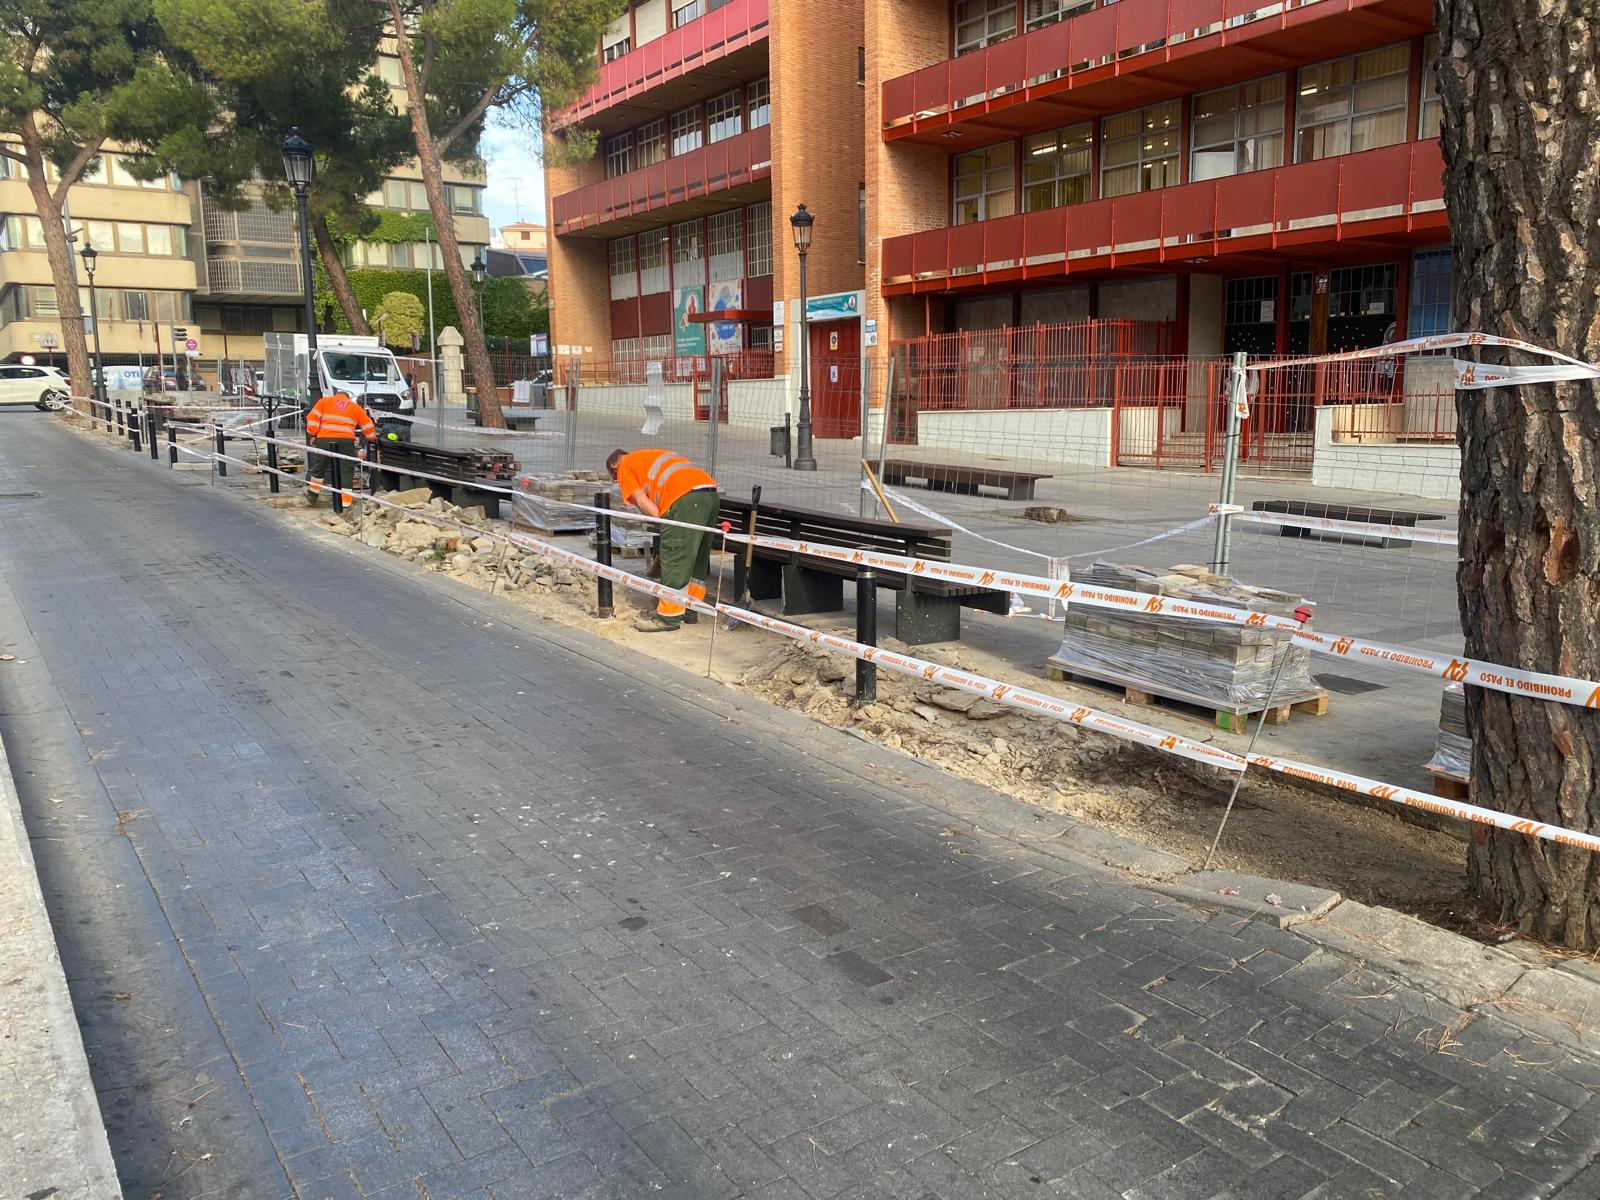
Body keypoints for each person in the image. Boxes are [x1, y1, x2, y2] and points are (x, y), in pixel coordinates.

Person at [607, 447, 720, 632]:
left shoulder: (624, 466)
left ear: (614, 465)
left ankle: (669, 617)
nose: (618, 481)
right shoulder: (649, 455)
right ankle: (690, 610)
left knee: (674, 556)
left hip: (684, 499)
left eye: (615, 477)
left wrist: (665, 523)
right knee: (696, 557)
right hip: (709, 494)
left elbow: (641, 500)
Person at [305, 390, 377, 505]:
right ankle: (345, 502)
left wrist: (313, 434)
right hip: (346, 440)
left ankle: (313, 494)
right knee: (346, 470)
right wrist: (371, 437)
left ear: (336, 395)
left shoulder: (324, 402)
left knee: (320, 466)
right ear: (347, 398)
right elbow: (367, 425)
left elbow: (312, 418)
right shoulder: (355, 407)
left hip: (324, 438)